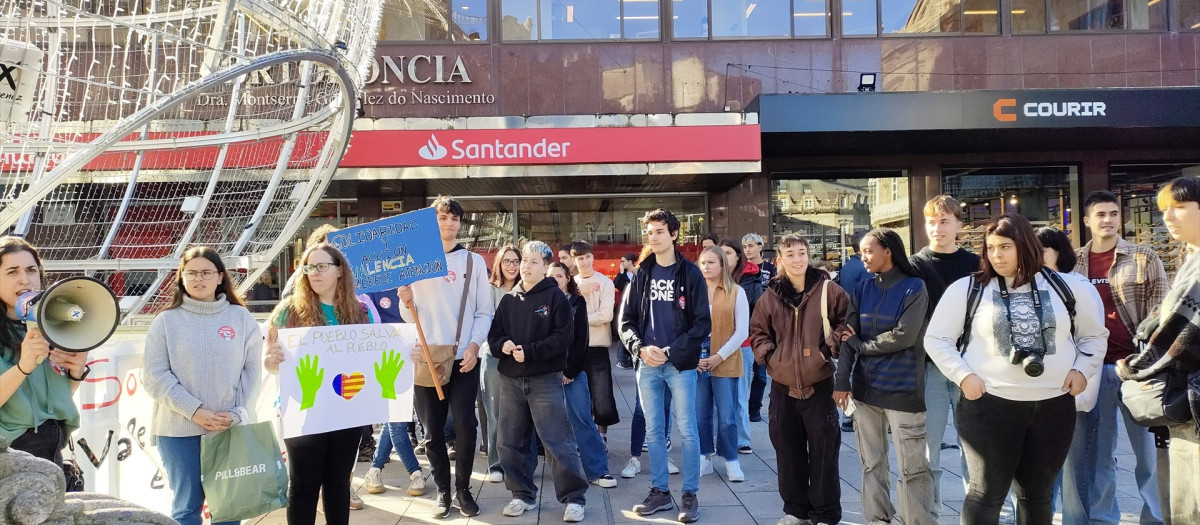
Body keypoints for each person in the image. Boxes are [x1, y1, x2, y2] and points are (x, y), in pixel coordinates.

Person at [925, 212, 1108, 525]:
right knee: (986, 494)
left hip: (1053, 406)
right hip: (990, 406)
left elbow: (1094, 336)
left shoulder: (1067, 287)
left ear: (1025, 245)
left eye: (1006, 246)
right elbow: (937, 339)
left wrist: (1082, 370)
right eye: (991, 247)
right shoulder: (967, 289)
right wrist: (964, 377)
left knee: (1037, 496)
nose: (997, 254)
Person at [1063, 191, 1167, 525]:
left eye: (1113, 213)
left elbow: (1160, 313)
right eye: (1101, 215)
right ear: (1087, 221)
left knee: (1148, 455)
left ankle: (1156, 517)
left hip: (1138, 369)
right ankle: (1103, 519)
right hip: (1094, 370)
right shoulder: (1075, 262)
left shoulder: (1143, 257)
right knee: (1099, 456)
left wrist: (1148, 358)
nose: (1108, 220)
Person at [143, 246, 262, 525]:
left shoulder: (241, 319)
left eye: (206, 272)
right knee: (186, 508)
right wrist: (194, 411)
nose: (199, 279)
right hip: (177, 431)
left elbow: (252, 372)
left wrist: (236, 413)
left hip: (227, 429)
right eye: (192, 272)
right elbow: (154, 375)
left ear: (220, 277)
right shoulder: (165, 322)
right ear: (181, 277)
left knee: (228, 509)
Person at [262, 243, 374, 525]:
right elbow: (270, 358)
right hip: (304, 410)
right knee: (303, 485)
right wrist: (270, 361)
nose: (314, 273)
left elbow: (376, 357)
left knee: (337, 483)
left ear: (339, 271)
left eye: (322, 266)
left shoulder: (360, 311)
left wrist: (406, 353)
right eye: (309, 267)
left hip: (347, 410)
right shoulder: (289, 311)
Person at [396, 196, 492, 519]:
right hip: (427, 356)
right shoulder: (415, 260)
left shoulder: (473, 262)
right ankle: (442, 490)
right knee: (432, 432)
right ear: (432, 223)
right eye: (442, 218)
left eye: (454, 219)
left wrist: (475, 345)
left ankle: (463, 489)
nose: (449, 224)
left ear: (460, 224)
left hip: (463, 356)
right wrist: (404, 299)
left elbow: (484, 311)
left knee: (466, 424)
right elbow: (408, 317)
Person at [833, 228, 935, 525]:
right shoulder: (862, 289)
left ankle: (915, 521)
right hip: (865, 393)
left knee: (913, 469)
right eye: (861, 251)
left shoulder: (915, 287)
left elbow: (904, 336)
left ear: (887, 250)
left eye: (868, 250)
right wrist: (842, 381)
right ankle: (877, 520)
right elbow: (846, 339)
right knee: (871, 465)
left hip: (904, 392)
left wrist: (861, 346)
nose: (862, 257)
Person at [1117, 176, 1200, 524]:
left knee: (1190, 503)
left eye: (1180, 208)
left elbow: (1178, 332)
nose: (1169, 217)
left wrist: (1135, 367)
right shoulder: (1191, 258)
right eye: (1166, 209)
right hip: (1187, 398)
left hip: (1192, 398)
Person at [750, 234, 849, 525]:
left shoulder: (829, 290)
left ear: (809, 255)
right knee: (788, 452)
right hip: (782, 386)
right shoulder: (770, 295)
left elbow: (847, 322)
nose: (798, 259)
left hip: (819, 383)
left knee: (824, 452)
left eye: (802, 253)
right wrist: (772, 358)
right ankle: (795, 511)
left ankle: (826, 514)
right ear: (781, 259)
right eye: (791, 254)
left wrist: (829, 348)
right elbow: (758, 332)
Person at [619, 208, 710, 523]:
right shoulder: (642, 273)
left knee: (687, 430)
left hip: (680, 364)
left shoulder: (690, 274)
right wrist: (640, 348)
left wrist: (670, 351)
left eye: (659, 231)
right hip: (647, 363)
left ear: (674, 234)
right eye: (650, 232)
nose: (653, 237)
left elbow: (702, 324)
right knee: (654, 431)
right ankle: (660, 492)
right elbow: (626, 321)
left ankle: (689, 495)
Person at [488, 242, 590, 522]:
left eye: (534, 262)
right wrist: (503, 345)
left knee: (557, 440)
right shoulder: (509, 299)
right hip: (511, 380)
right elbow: (494, 336)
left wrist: (530, 352)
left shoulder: (555, 298)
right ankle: (522, 494)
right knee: (509, 441)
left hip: (545, 379)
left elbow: (562, 338)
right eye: (525, 261)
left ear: (546, 267)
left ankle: (573, 498)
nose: (526, 266)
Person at [908, 195, 981, 519]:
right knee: (929, 449)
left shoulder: (976, 264)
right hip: (931, 369)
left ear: (958, 226)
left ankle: (977, 511)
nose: (937, 228)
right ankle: (931, 510)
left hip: (972, 367)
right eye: (932, 222)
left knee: (976, 449)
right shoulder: (914, 265)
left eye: (944, 221)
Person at [0, 237, 90, 463]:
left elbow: (59, 396)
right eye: (12, 272)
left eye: (31, 270)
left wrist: (76, 372)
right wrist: (23, 367)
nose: (25, 280)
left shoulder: (53, 326)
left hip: (52, 445)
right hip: (11, 453)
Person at [552, 261, 618, 489]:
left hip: (572, 372)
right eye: (551, 277)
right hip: (545, 373)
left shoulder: (576, 303)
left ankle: (598, 470)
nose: (555, 280)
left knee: (582, 419)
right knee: (544, 424)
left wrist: (570, 370)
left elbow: (581, 340)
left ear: (568, 278)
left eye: (559, 276)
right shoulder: (539, 303)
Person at [695, 246, 748, 481]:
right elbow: (683, 328)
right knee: (699, 413)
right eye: (703, 263)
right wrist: (692, 356)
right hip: (697, 359)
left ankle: (731, 460)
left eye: (711, 263)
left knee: (727, 415)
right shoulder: (693, 291)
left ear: (722, 265)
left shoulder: (736, 291)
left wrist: (719, 356)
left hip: (724, 358)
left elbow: (741, 331)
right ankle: (704, 457)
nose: (706, 267)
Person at [571, 241, 620, 442]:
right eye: (579, 258)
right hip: (574, 348)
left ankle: (602, 437)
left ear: (593, 257)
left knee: (602, 396)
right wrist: (581, 291)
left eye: (587, 257)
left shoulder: (605, 282)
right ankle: (582, 437)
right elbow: (564, 314)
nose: (584, 261)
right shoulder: (572, 283)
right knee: (577, 398)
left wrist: (578, 321)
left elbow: (606, 315)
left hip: (598, 346)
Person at [479, 244, 520, 483]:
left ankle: (518, 462)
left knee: (520, 414)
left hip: (521, 358)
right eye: (507, 261)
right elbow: (486, 322)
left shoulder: (528, 289)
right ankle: (496, 464)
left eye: (516, 261)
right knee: (494, 412)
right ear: (499, 264)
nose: (512, 265)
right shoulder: (489, 290)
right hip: (494, 357)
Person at [718, 239, 762, 452]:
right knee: (717, 396)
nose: (725, 257)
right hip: (715, 344)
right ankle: (722, 438)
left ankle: (742, 439)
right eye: (722, 253)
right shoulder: (711, 277)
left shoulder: (751, 280)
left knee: (740, 394)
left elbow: (758, 313)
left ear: (737, 256)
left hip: (743, 343)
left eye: (729, 252)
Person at [742, 233, 774, 423]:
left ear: (760, 247)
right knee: (743, 374)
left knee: (760, 375)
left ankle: (754, 408)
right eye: (745, 246)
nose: (748, 250)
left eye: (751, 245)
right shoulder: (741, 269)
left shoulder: (770, 268)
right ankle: (741, 406)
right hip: (744, 327)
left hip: (763, 328)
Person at [614, 253, 637, 370]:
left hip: (636, 306)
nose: (621, 263)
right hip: (624, 305)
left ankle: (630, 358)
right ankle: (621, 359)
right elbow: (617, 284)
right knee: (623, 331)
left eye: (623, 261)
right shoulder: (623, 275)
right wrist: (621, 272)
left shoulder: (638, 273)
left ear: (630, 261)